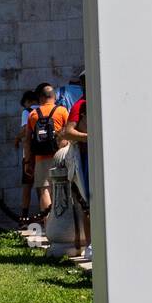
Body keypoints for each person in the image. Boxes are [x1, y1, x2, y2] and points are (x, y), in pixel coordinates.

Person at [24, 83, 69, 215]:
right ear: (54, 97)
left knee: (44, 189)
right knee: (61, 188)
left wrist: (27, 162)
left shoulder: (33, 114)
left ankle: (47, 221)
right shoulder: (62, 111)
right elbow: (69, 132)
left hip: (40, 158)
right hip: (60, 156)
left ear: (40, 98)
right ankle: (60, 219)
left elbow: (27, 141)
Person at [62, 70, 90, 255]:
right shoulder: (79, 105)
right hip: (88, 158)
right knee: (90, 202)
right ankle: (91, 244)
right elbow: (68, 132)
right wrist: (89, 137)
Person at [14, 90, 38, 221]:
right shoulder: (44, 110)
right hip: (44, 154)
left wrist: (16, 138)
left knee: (27, 186)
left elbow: (25, 130)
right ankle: (45, 216)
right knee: (43, 187)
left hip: (29, 154)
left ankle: (24, 216)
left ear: (28, 101)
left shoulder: (27, 112)